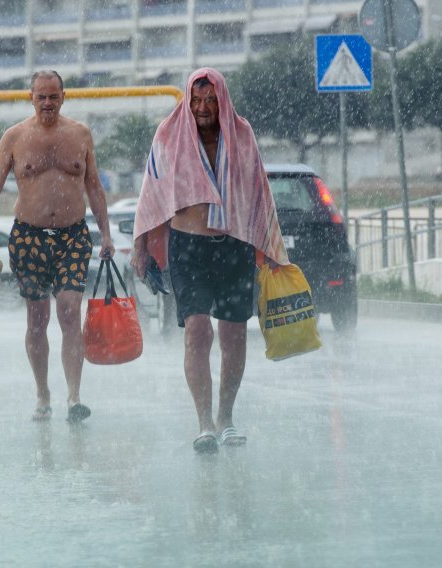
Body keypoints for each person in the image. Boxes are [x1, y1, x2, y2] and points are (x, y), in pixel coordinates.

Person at [131, 68, 289, 453]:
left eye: (210, 101)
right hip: (188, 249)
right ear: (187, 100)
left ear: (222, 101)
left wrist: (269, 248)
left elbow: (258, 192)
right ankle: (204, 422)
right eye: (196, 101)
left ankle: (226, 417)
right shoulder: (169, 136)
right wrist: (140, 246)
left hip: (234, 246)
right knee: (197, 331)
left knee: (233, 335)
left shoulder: (242, 135)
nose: (202, 108)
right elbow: (151, 193)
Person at [0, 70, 114, 424]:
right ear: (30, 98)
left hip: (73, 236)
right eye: (41, 97)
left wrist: (107, 234)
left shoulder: (80, 133)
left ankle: (74, 396)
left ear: (64, 97)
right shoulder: (15, 136)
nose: (47, 103)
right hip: (29, 236)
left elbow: (94, 186)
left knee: (69, 311)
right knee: (37, 319)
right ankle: (43, 393)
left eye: (53, 96)